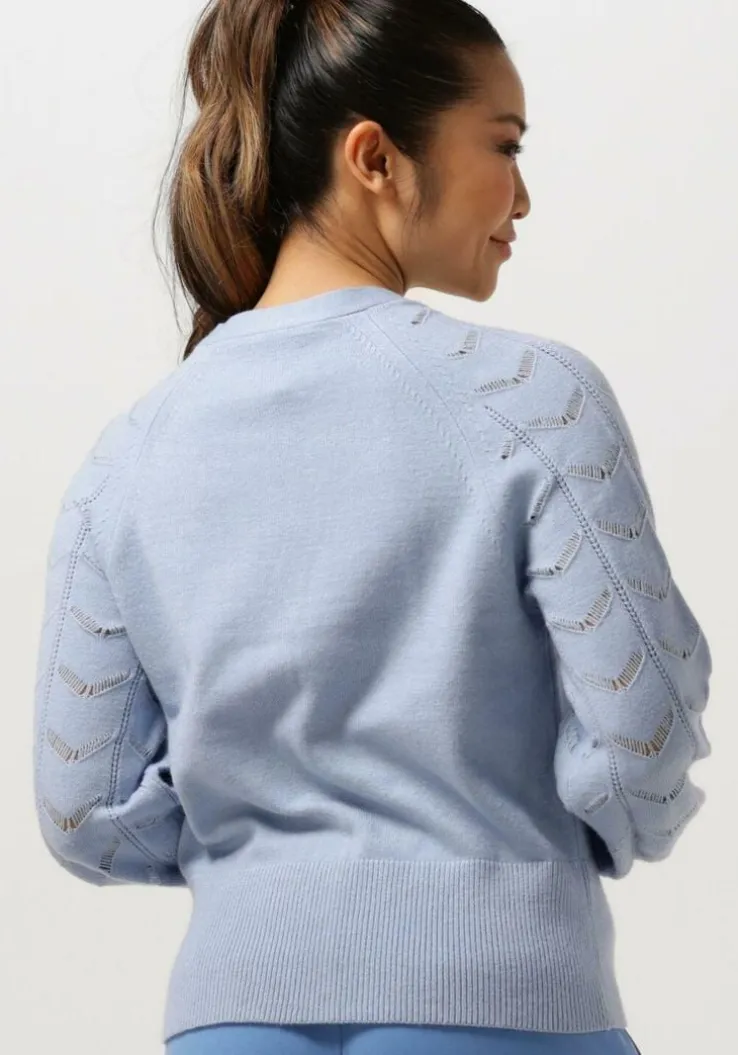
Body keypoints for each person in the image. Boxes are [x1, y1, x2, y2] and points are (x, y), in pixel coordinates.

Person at [32, 1, 712, 1053]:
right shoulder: (530, 400)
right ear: (375, 158)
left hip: (228, 1022)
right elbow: (642, 745)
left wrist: (263, 870)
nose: (523, 195)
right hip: (502, 1005)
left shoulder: (128, 456)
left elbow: (84, 807)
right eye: (505, 146)